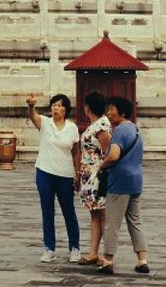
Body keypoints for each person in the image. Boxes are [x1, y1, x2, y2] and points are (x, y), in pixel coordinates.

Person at [96, 95, 149, 274]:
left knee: (112, 222)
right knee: (135, 221)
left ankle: (108, 260)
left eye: (112, 109)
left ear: (122, 111)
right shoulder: (135, 129)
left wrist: (101, 166)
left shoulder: (119, 131)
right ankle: (142, 259)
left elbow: (114, 155)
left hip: (120, 182)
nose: (109, 113)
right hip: (136, 180)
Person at [26, 93, 81, 263]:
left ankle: (75, 247)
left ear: (66, 109)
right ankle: (49, 248)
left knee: (68, 212)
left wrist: (77, 173)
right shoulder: (45, 123)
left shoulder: (72, 128)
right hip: (45, 172)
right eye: (53, 105)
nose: (55, 108)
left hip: (65, 174)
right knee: (47, 211)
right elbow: (32, 116)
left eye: (59, 105)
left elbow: (76, 152)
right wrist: (31, 106)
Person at [77, 92, 112, 266]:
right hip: (88, 175)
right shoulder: (94, 125)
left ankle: (107, 255)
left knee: (103, 214)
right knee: (95, 214)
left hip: (98, 175)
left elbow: (108, 152)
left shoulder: (102, 126)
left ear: (87, 107)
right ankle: (93, 252)